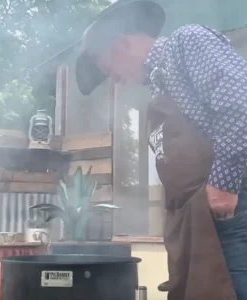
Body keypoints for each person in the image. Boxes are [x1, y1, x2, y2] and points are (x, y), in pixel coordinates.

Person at [74, 0, 247, 299]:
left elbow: (239, 102)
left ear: (124, 45)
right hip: (200, 223)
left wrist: (224, 182)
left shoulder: (187, 42)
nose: (114, 79)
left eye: (108, 68)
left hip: (234, 210)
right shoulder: (158, 88)